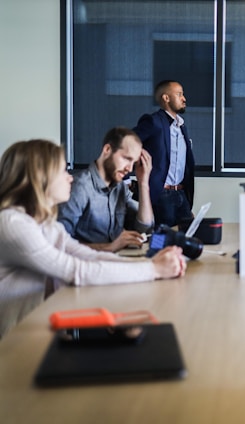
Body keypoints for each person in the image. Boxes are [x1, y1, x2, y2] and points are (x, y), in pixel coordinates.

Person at [0, 139, 186, 339]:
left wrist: (151, 265)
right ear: (40, 177)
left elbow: (87, 256)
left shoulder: (44, 224)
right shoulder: (12, 223)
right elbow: (77, 270)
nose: (70, 178)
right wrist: (154, 269)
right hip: (13, 345)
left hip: (38, 330)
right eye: (63, 171)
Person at [58, 127, 154, 252]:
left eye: (134, 163)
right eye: (126, 159)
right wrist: (109, 247)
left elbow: (144, 227)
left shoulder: (119, 187)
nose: (129, 169)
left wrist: (144, 182)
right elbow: (59, 243)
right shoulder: (79, 187)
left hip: (112, 261)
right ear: (107, 150)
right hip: (86, 265)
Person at [133, 80, 195, 227]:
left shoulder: (181, 126)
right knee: (163, 241)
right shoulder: (153, 122)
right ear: (166, 98)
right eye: (179, 94)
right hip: (162, 194)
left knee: (186, 238)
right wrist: (133, 176)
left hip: (181, 193)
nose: (184, 98)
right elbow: (127, 142)